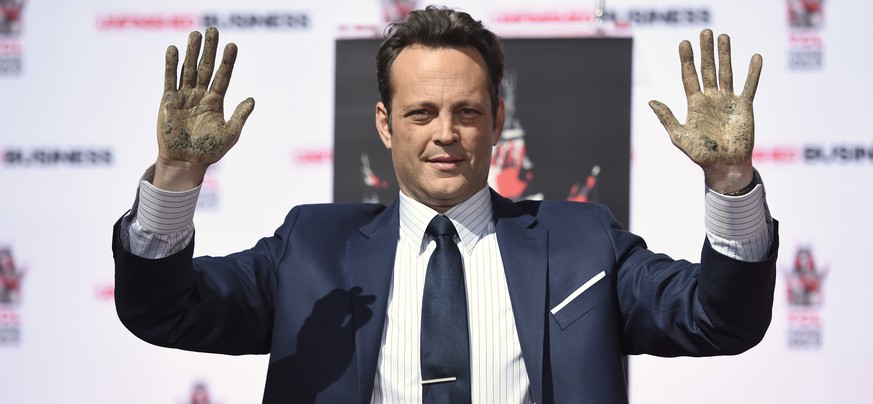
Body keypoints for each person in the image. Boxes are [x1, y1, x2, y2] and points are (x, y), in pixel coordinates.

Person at [113, 6, 777, 404]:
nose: (445, 134)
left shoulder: (582, 239)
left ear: (496, 118)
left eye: (465, 111)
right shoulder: (310, 246)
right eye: (421, 112)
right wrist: (175, 177)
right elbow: (166, 310)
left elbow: (718, 319)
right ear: (384, 123)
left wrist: (728, 181)